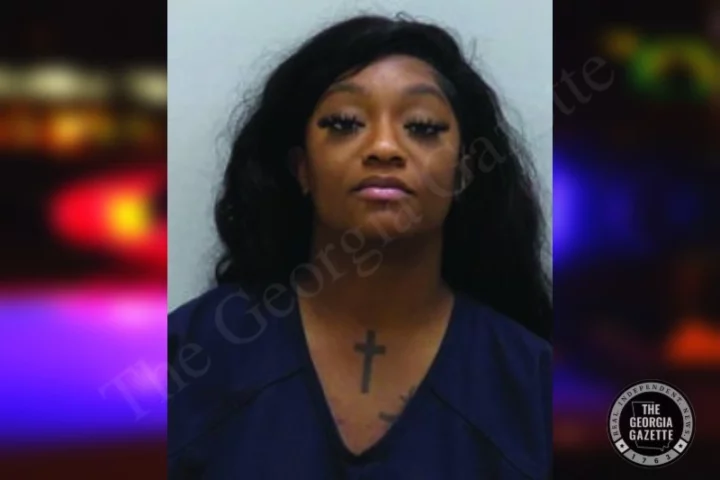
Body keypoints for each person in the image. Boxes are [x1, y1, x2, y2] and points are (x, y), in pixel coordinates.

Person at [168, 14, 552, 479]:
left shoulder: (535, 385)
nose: (384, 147)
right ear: (301, 168)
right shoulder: (189, 357)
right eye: (345, 123)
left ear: (464, 172)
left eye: (422, 126)